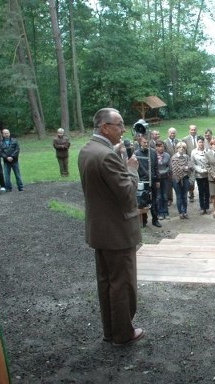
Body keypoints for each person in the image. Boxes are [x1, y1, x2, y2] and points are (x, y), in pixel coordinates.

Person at [77, 107, 143, 346]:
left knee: (106, 283)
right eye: (119, 125)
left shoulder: (88, 150)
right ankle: (123, 334)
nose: (123, 129)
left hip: (99, 231)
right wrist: (131, 169)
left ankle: (110, 331)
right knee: (122, 285)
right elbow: (127, 193)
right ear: (105, 127)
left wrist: (116, 156)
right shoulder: (106, 156)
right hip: (117, 232)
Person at [134, 133, 161, 228]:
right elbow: (136, 168)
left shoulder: (153, 152)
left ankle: (155, 219)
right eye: (144, 142)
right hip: (143, 181)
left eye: (147, 142)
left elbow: (156, 167)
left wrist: (157, 180)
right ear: (140, 143)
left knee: (155, 200)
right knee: (143, 201)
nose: (146, 144)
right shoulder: (137, 154)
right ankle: (144, 221)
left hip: (153, 180)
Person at [170, 141, 194, 219]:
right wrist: (185, 168)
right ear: (177, 148)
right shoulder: (174, 157)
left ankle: (185, 211)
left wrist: (187, 168)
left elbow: (191, 166)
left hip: (185, 179)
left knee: (184, 196)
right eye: (180, 147)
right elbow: (175, 169)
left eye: (183, 148)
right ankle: (180, 212)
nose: (181, 149)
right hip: (176, 180)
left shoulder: (187, 157)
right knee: (179, 196)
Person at [191, 135, 211, 215]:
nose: (201, 144)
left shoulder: (208, 151)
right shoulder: (193, 152)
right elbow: (193, 163)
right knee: (201, 191)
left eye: (202, 142)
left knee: (207, 191)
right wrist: (200, 170)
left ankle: (207, 207)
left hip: (207, 174)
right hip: (199, 175)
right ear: (197, 143)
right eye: (199, 142)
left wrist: (207, 170)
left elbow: (210, 162)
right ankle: (202, 207)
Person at [155, 140, 171, 220]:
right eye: (159, 146)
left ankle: (166, 212)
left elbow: (169, 167)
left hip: (165, 178)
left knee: (165, 195)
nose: (161, 148)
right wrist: (158, 173)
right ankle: (160, 212)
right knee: (159, 196)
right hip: (157, 179)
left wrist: (163, 172)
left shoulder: (167, 155)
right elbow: (153, 167)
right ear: (156, 147)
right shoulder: (154, 155)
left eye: (162, 146)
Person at [182, 124, 198, 202]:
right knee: (191, 181)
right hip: (190, 163)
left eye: (194, 129)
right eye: (192, 129)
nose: (193, 131)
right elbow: (184, 152)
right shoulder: (185, 139)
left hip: (199, 162)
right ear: (189, 130)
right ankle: (191, 195)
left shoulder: (200, 138)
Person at [164, 127, 179, 205]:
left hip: (178, 165)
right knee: (169, 183)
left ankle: (179, 198)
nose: (173, 134)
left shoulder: (178, 141)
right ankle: (169, 199)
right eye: (171, 133)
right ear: (168, 133)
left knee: (178, 181)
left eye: (174, 133)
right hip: (169, 165)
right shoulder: (165, 143)